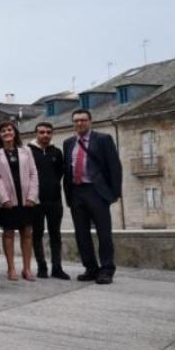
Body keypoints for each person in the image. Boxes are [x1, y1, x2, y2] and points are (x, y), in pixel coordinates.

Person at [63, 109, 122, 285]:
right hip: (76, 192)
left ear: (90, 121)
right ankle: (90, 268)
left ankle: (107, 270)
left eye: (83, 120)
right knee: (81, 234)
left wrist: (114, 193)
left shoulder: (103, 139)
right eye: (76, 121)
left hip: (96, 191)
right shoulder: (68, 143)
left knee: (104, 233)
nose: (79, 123)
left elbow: (115, 167)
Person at [0, 121, 39, 281]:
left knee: (26, 232)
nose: (7, 133)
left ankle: (27, 268)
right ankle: (11, 269)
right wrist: (4, 198)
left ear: (15, 132)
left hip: (26, 199)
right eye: (3, 130)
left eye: (9, 129)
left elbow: (33, 173)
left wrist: (32, 196)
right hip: (8, 200)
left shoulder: (26, 151)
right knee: (9, 233)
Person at [29, 122, 69, 280]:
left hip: (54, 200)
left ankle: (57, 267)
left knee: (55, 235)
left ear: (52, 134)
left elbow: (59, 173)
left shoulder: (57, 152)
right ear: (36, 134)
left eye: (48, 132)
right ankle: (42, 267)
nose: (45, 135)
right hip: (36, 201)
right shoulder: (28, 151)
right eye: (42, 132)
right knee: (37, 234)